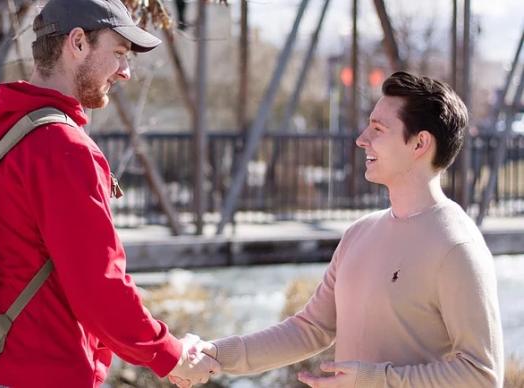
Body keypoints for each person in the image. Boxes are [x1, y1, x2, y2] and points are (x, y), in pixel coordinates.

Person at [173, 71, 504, 388]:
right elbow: (310, 329)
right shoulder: (359, 232)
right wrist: (215, 354)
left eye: (377, 129)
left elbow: (482, 375)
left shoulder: (457, 246)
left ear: (419, 144)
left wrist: (374, 382)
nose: (362, 140)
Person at [0, 0, 219, 386]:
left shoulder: (2, 128)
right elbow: (99, 287)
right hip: (44, 375)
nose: (126, 72)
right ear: (78, 43)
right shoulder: (62, 148)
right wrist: (171, 356)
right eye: (118, 53)